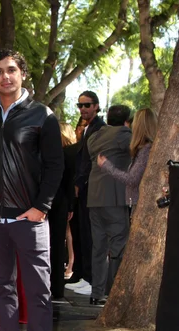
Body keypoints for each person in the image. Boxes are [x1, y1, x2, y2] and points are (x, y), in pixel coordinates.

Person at [0, 49, 64, 331]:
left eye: (11, 70)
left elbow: (56, 166)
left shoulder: (42, 115)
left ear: (23, 73)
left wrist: (41, 207)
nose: (5, 77)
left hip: (29, 220)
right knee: (3, 287)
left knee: (39, 290)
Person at [86, 105, 132, 305]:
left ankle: (96, 294)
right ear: (126, 120)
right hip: (114, 198)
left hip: (94, 199)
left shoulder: (96, 136)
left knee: (98, 247)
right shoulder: (124, 135)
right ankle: (115, 293)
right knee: (118, 247)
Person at [66, 91, 106, 296]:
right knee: (80, 232)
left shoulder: (101, 128)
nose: (83, 109)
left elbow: (92, 161)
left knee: (90, 235)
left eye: (87, 105)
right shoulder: (88, 128)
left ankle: (90, 278)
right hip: (81, 188)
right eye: (80, 105)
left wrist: (81, 182)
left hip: (92, 189)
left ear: (97, 106)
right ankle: (81, 274)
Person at [97, 108, 157, 212]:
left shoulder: (146, 149)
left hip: (140, 204)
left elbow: (132, 179)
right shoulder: (145, 148)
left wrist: (107, 166)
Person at [49, 123, 77, 298]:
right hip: (59, 203)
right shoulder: (68, 154)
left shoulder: (62, 154)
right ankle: (56, 287)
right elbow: (70, 182)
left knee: (54, 245)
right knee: (57, 245)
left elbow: (68, 181)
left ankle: (55, 286)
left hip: (55, 203)